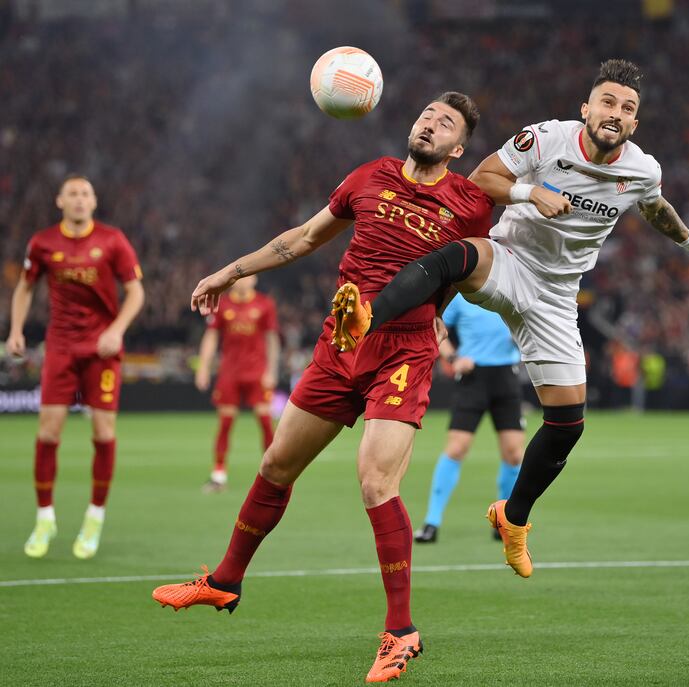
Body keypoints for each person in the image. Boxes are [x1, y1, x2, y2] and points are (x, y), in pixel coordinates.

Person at [333, 59, 689, 579]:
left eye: (628, 108)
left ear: (635, 124)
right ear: (586, 108)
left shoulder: (642, 170)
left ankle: (513, 518)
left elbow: (654, 207)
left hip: (559, 297)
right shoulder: (547, 139)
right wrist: (530, 192)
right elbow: (481, 179)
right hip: (511, 261)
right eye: (607, 102)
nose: (616, 113)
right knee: (456, 254)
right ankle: (368, 318)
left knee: (567, 425)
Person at [151, 92, 494, 683]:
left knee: (374, 481)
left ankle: (401, 631)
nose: (429, 124)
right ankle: (226, 581)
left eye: (445, 123)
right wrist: (232, 270)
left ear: (458, 148)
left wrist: (439, 307)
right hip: (340, 343)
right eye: (426, 115)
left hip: (404, 353)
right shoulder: (369, 175)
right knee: (278, 462)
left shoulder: (469, 202)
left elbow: (476, 266)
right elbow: (304, 238)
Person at [5, 175, 144, 559]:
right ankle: (44, 517)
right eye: (73, 194)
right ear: (59, 201)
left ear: (94, 201)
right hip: (61, 347)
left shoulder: (113, 240)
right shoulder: (43, 242)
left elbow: (136, 292)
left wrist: (116, 330)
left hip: (101, 350)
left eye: (86, 193)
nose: (80, 199)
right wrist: (15, 329)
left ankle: (94, 517)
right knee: (48, 433)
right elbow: (26, 287)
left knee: (103, 432)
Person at [414, 293, 524, 544]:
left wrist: (521, 337)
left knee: (514, 454)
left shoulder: (512, 291)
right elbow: (436, 327)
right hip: (473, 379)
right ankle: (432, 522)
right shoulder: (462, 296)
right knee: (456, 448)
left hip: (506, 376)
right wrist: (453, 358)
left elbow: (533, 325)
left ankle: (503, 522)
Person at [194, 275, 280, 492]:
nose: (243, 281)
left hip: (257, 373)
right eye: (240, 278)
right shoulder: (222, 305)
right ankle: (219, 475)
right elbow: (211, 336)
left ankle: (275, 473)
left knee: (264, 421)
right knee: (225, 423)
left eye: (247, 277)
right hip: (229, 374)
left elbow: (272, 338)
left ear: (255, 279)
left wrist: (271, 371)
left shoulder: (264, 304)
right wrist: (203, 367)